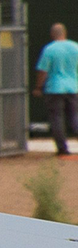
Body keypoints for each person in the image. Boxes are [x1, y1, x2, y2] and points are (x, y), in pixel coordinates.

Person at [36, 22, 78, 157]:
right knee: (74, 116)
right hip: (73, 87)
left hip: (54, 88)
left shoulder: (49, 49)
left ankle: (62, 149)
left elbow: (43, 70)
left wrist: (38, 87)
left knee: (57, 118)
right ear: (65, 33)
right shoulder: (75, 47)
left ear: (52, 34)